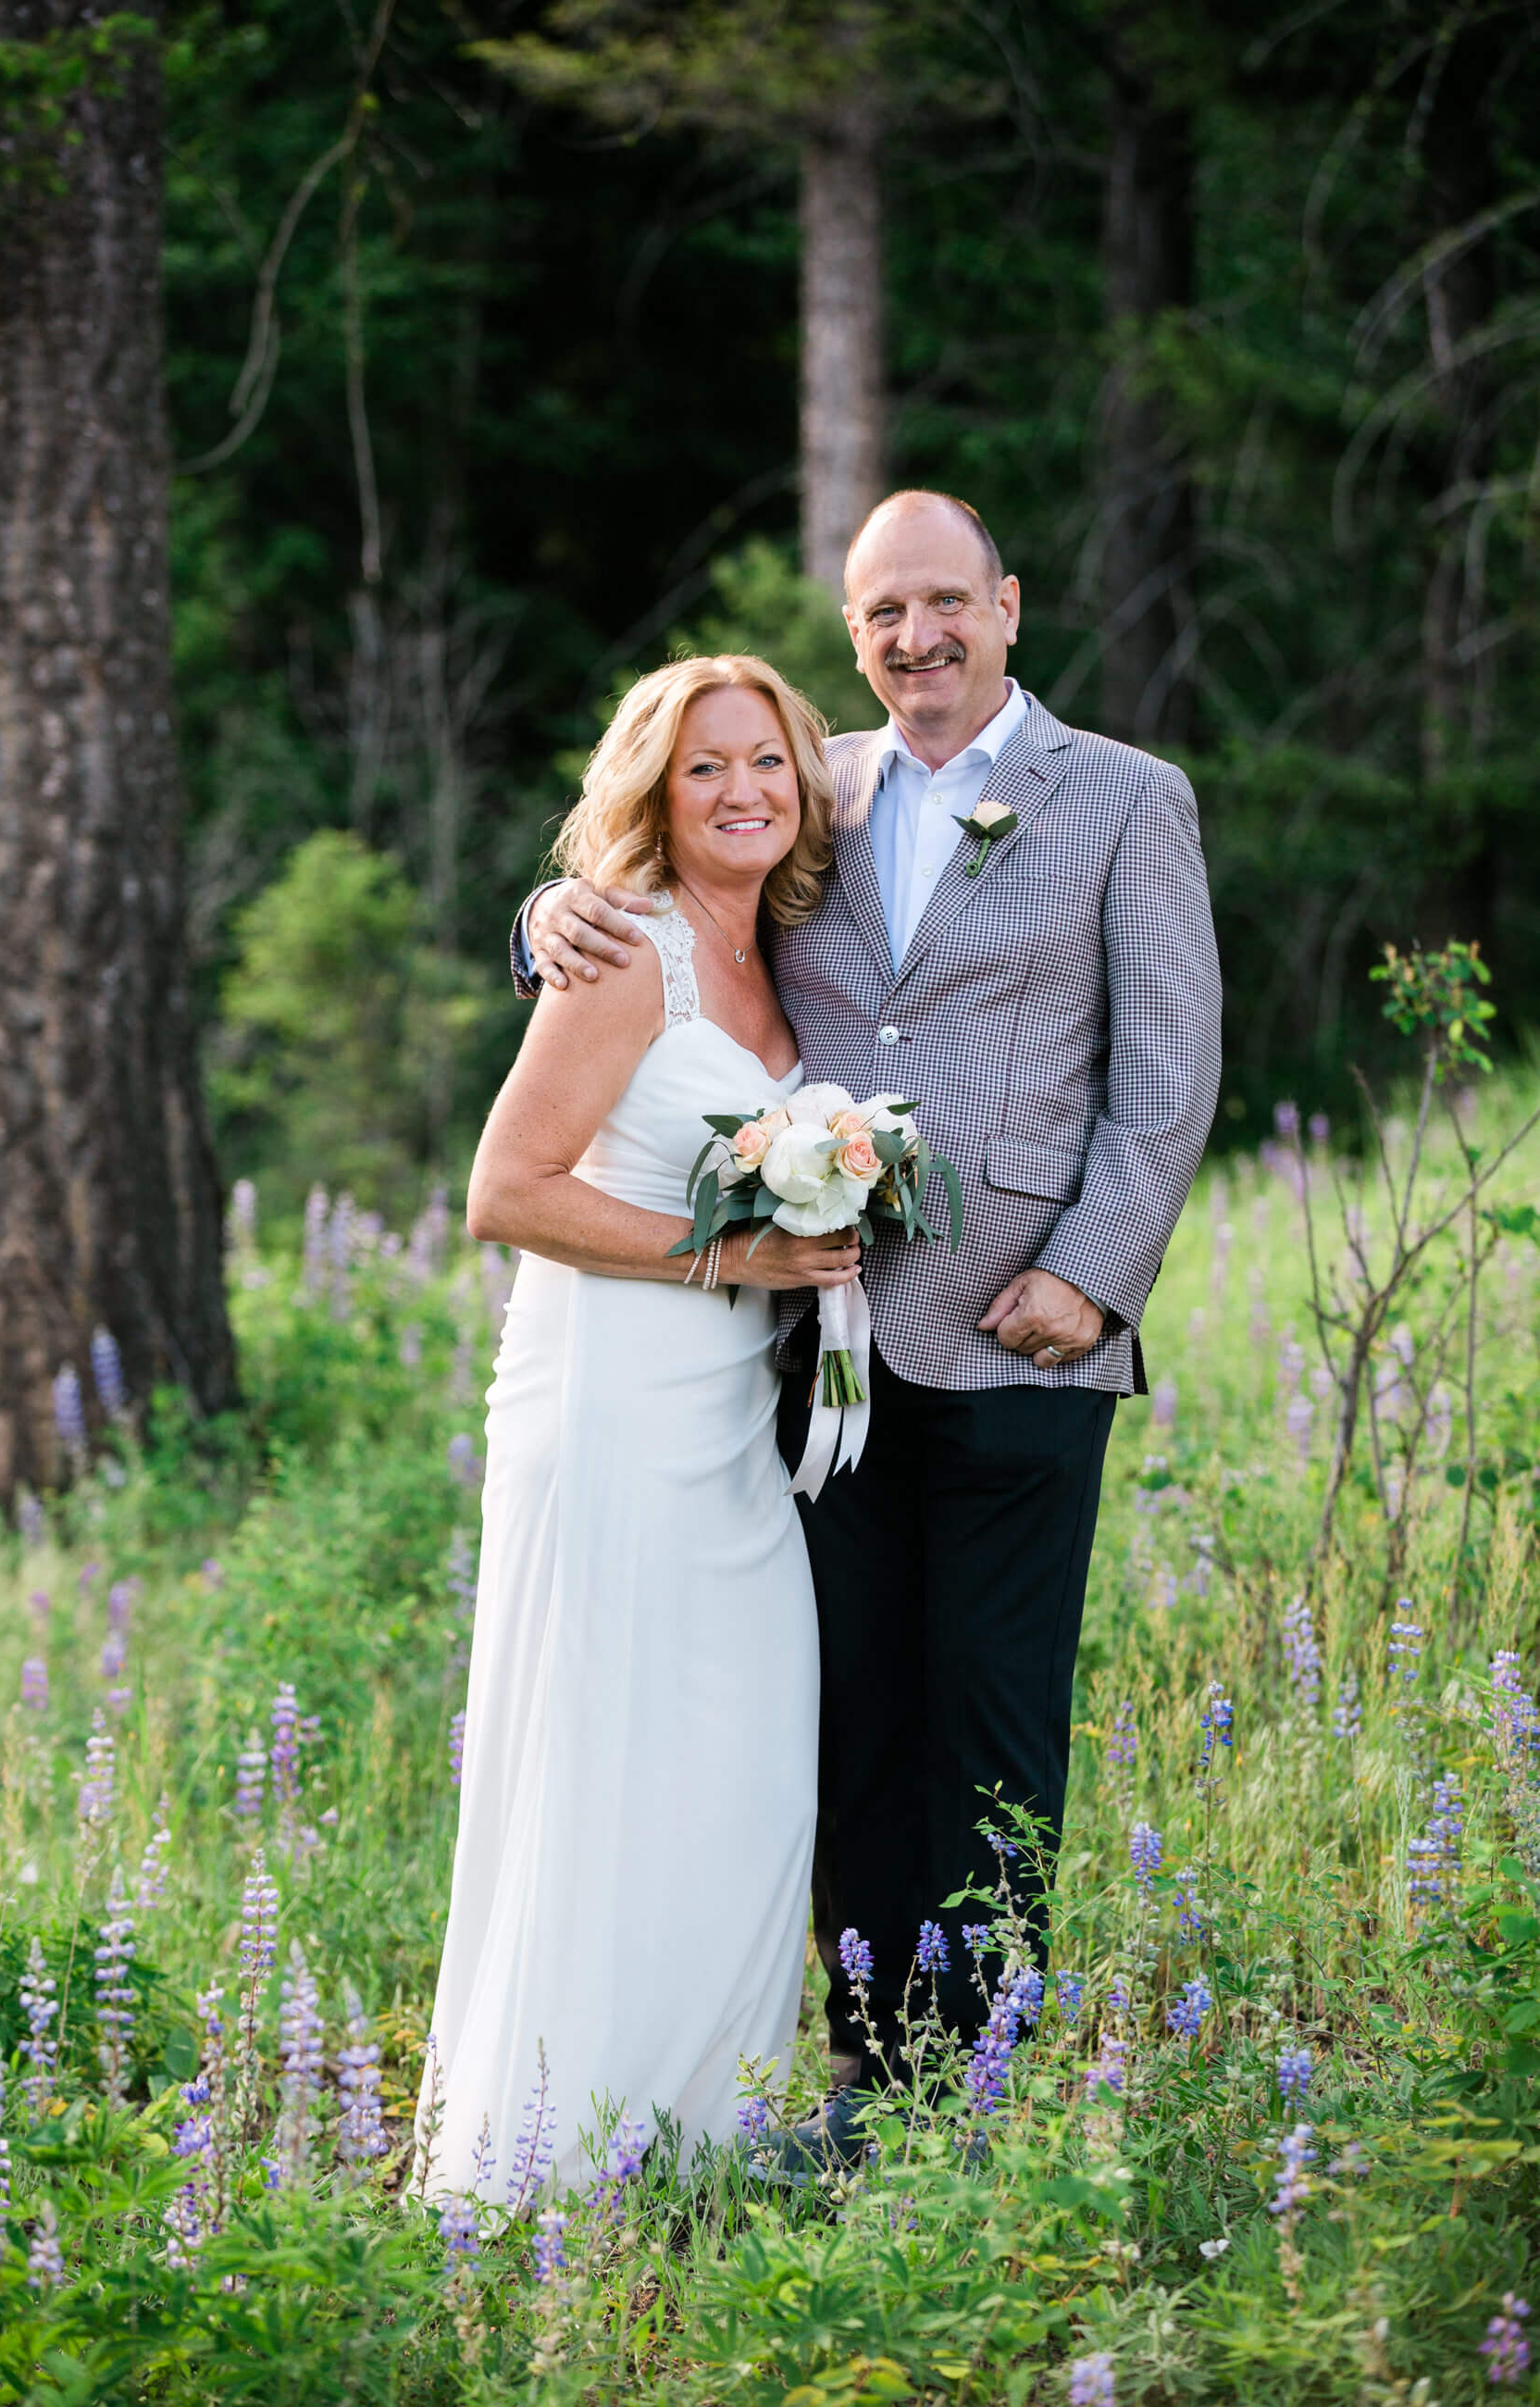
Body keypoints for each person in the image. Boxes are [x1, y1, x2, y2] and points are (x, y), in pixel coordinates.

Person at [517, 489, 1222, 2154]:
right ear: (853, 638)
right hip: (816, 1354)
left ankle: (972, 2087)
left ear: (1008, 603)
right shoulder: (802, 783)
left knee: (988, 1718)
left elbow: (1169, 1071)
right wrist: (540, 919)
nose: (917, 636)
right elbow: (654, 901)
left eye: (943, 602)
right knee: (843, 1720)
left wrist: (1092, 1271)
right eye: (881, 614)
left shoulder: (1124, 800)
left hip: (1019, 1340)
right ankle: (865, 2073)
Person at [415, 653, 863, 2200]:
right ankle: (553, 2163)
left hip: (731, 1423)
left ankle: (699, 2142)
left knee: (741, 1772)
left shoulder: (784, 942)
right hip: (609, 1403)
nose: (741, 791)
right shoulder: (626, 946)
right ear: (649, 798)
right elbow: (507, 1193)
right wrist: (731, 1255)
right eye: (700, 770)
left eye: (766, 763)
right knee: (607, 1766)